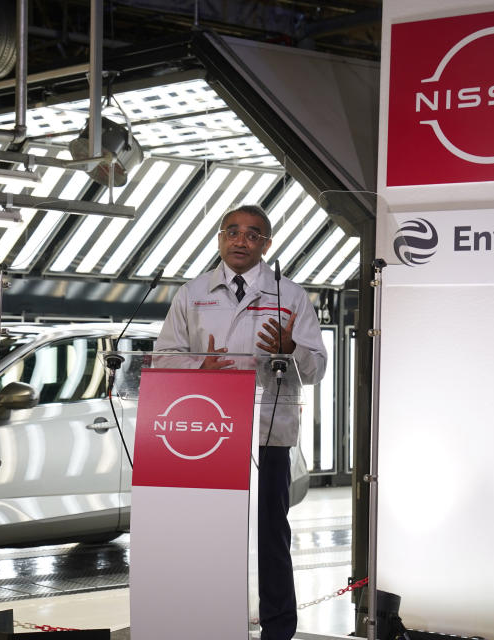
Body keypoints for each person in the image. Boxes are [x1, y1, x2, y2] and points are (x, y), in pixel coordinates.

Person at [155, 204, 327, 640]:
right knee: (206, 535)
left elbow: (317, 369)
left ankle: (278, 630)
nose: (240, 240)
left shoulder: (289, 296)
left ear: (267, 244)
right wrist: (201, 370)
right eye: (231, 231)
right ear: (219, 237)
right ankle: (206, 622)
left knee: (271, 534)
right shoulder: (193, 293)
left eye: (252, 235)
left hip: (267, 433)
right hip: (206, 433)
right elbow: (162, 359)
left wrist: (291, 348)